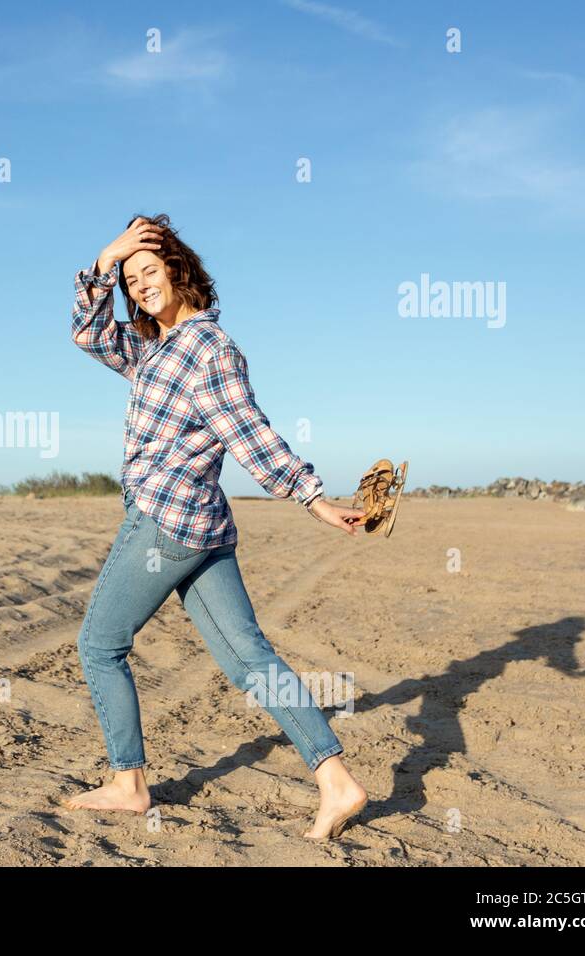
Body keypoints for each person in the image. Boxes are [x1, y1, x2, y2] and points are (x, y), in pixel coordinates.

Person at [63, 214, 369, 841]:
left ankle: (128, 782)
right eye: (130, 280)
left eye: (149, 271)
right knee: (249, 659)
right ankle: (337, 782)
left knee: (99, 645)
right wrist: (107, 257)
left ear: (179, 271)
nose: (140, 285)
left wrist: (312, 498)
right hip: (203, 528)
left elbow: (249, 430)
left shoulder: (208, 348)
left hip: (164, 522)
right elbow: (87, 334)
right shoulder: (153, 349)